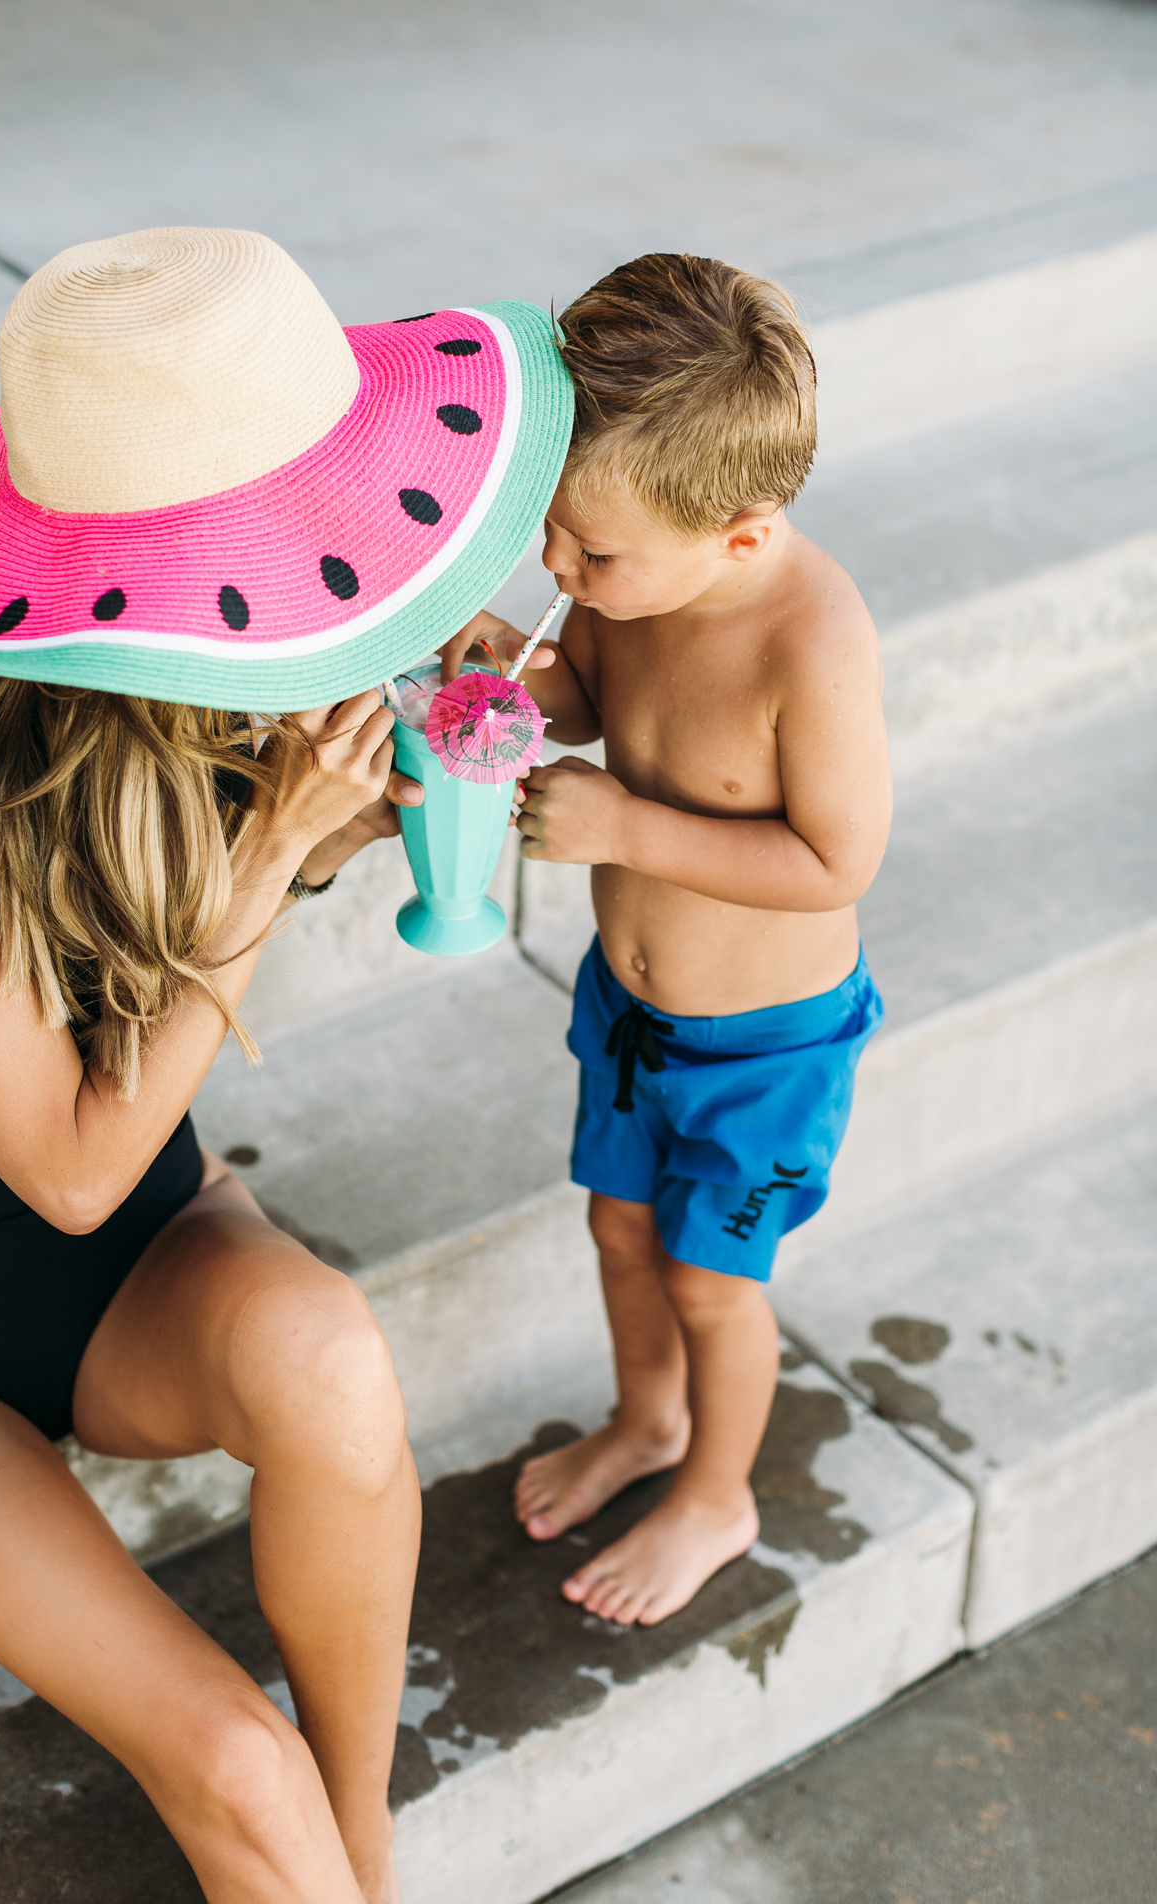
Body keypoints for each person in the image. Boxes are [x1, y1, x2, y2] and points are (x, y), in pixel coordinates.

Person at [0, 227, 571, 1900]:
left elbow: (528, 675)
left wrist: (421, 788)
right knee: (229, 1760)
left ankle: (367, 1841)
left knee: (335, 1364)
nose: (314, 586)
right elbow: (67, 1173)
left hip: (154, 1244)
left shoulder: (248, 652)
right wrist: (266, 862)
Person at [442, 253, 891, 1628]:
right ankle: (644, 1424)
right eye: (554, 538)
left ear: (742, 535)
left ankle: (718, 1488)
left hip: (766, 1051)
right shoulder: (625, 563)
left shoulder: (806, 642)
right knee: (621, 1231)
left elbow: (834, 864)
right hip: (630, 1018)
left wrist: (626, 831)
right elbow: (580, 691)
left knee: (711, 1276)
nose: (561, 567)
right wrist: (501, 655)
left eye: (591, 554)